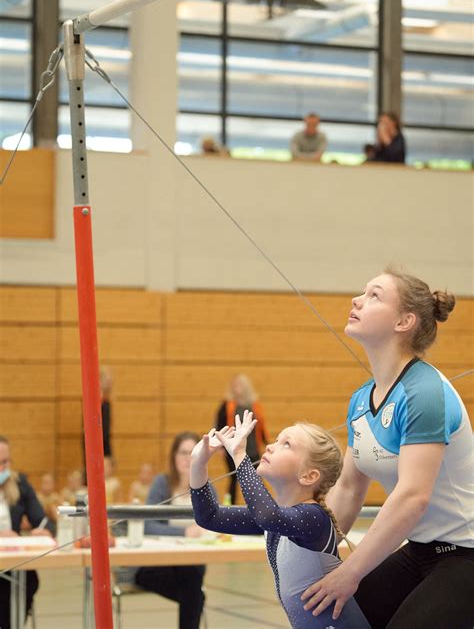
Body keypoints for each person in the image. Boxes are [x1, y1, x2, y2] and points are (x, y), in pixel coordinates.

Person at [301, 267, 474, 628]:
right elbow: (348, 489)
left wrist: (349, 572)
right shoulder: (362, 399)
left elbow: (412, 498)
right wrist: (307, 555)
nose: (356, 300)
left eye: (374, 295)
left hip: (465, 556)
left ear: (404, 321)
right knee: (329, 617)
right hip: (420, 551)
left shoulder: (424, 393)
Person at [190, 413, 370, 628]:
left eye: (286, 444)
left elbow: (268, 516)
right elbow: (209, 516)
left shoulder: (313, 518)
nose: (270, 447)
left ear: (309, 476)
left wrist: (239, 455)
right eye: (276, 440)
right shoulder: (279, 518)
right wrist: (197, 464)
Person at [135, 432, 208, 629]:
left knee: (192, 584)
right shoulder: (162, 483)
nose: (187, 458)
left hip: (191, 564)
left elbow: (215, 526)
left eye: (193, 453)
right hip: (156, 564)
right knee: (194, 594)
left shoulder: (206, 487)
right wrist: (183, 533)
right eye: (182, 452)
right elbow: (148, 525)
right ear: (174, 456)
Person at [0, 436, 53, 629]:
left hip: (14, 565)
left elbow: (43, 521)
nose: (1, 468)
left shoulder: (20, 483)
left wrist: (42, 531)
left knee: (29, 580)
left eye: (5, 462)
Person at [215, 374, 269, 503]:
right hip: (232, 448)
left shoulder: (254, 405)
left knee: (257, 477)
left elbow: (260, 425)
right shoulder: (227, 405)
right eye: (233, 386)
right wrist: (220, 446)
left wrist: (265, 442)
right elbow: (219, 424)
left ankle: (261, 503)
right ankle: (230, 505)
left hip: (252, 447)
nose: (235, 389)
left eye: (238, 386)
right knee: (234, 478)